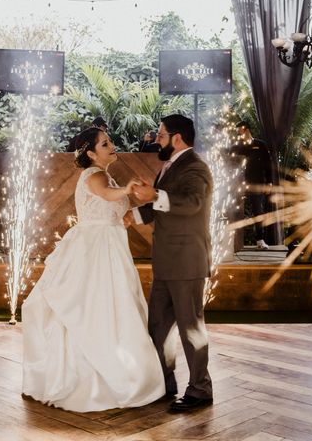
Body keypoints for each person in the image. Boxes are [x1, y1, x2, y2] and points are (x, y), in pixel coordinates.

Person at [22, 127, 165, 412]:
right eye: (104, 144)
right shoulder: (95, 175)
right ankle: (97, 380)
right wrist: (125, 190)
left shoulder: (105, 173)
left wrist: (128, 212)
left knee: (108, 307)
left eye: (110, 141)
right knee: (95, 309)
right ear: (90, 153)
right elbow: (105, 194)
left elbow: (111, 204)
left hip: (108, 247)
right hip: (97, 251)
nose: (112, 146)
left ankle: (113, 373)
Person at [127, 114, 214, 413]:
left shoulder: (196, 167)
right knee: (159, 327)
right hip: (165, 262)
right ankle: (165, 384)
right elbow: (158, 205)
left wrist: (156, 194)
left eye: (161, 135)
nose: (156, 140)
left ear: (177, 138)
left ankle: (200, 389)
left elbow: (192, 204)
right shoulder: (168, 167)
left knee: (191, 329)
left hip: (188, 261)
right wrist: (132, 216)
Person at [229, 120, 273, 250]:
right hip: (239, 185)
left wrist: (269, 183)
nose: (239, 135)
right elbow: (230, 158)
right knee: (235, 212)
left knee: (258, 212)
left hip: (257, 184)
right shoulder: (238, 146)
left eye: (240, 132)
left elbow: (268, 165)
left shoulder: (260, 145)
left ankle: (260, 240)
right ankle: (234, 243)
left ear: (247, 130)